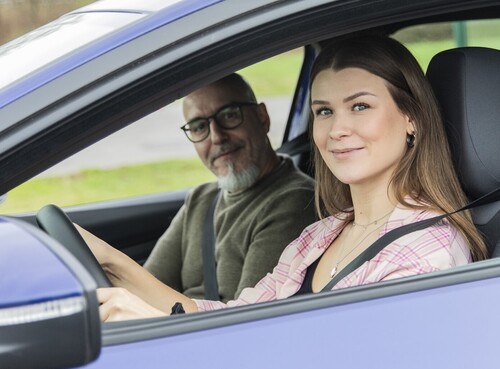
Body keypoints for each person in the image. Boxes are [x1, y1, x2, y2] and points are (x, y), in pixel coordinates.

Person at [79, 33, 488, 321]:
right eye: (324, 111)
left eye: (360, 106)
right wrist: (110, 260)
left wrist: (153, 323)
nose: (337, 129)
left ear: (411, 117)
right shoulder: (321, 235)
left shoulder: (426, 253)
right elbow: (239, 319)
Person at [103, 73, 317, 303]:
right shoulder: (201, 199)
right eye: (198, 127)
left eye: (229, 115)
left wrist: (108, 257)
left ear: (262, 118)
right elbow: (144, 284)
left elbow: (247, 320)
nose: (216, 136)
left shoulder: (294, 201)